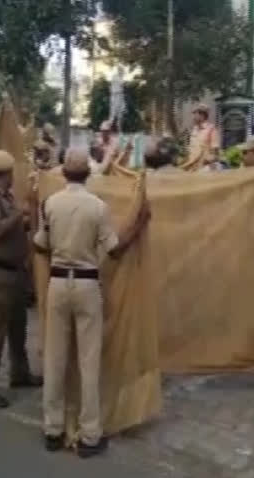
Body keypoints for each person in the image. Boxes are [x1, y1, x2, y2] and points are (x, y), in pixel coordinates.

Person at [34, 147, 151, 458]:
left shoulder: (50, 204)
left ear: (64, 173)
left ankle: (53, 429)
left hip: (57, 282)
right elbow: (114, 249)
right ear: (87, 173)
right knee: (89, 361)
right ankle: (89, 434)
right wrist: (138, 225)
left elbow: (40, 245)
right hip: (87, 283)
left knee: (55, 358)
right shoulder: (98, 207)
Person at [0, 150, 42, 409]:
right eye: (12, 173)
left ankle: (20, 372)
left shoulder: (4, 196)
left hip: (13, 270)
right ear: (5, 174)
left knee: (17, 326)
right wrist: (19, 214)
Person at [188, 104, 220, 169]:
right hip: (192, 167)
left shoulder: (211, 129)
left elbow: (215, 151)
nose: (193, 117)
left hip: (205, 168)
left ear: (202, 115)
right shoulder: (194, 129)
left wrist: (208, 160)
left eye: (195, 114)